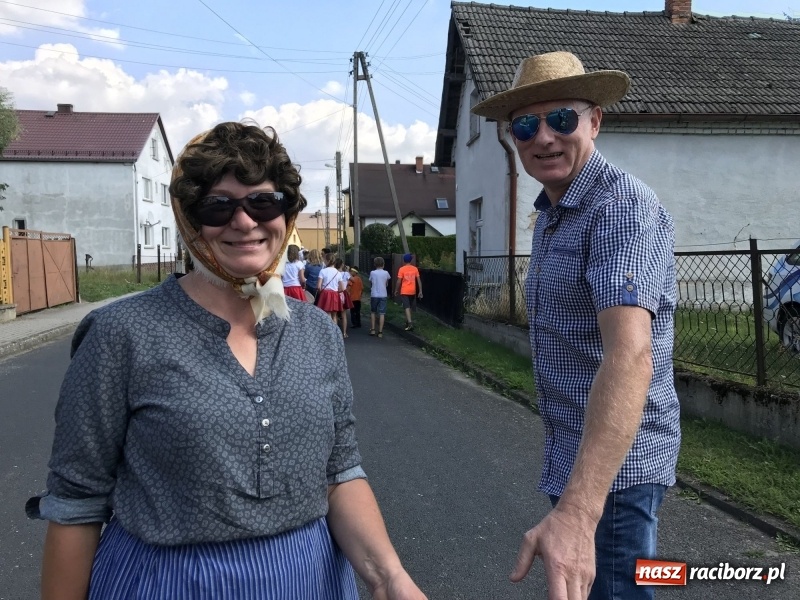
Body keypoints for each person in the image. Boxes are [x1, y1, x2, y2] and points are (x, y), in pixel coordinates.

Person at [26, 121, 426, 600]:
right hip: (167, 584)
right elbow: (77, 503)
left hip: (309, 580)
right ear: (191, 222)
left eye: (263, 201)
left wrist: (390, 579)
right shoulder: (122, 334)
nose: (244, 222)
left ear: (287, 213)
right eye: (218, 207)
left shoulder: (317, 332)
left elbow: (340, 474)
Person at [472, 51, 680, 600]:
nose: (543, 137)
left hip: (616, 467)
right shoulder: (555, 210)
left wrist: (580, 510)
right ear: (511, 136)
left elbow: (630, 355)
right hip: (576, 451)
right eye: (524, 125)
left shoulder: (619, 209)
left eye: (561, 119)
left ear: (594, 120)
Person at [394, 253, 423, 331]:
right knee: (409, 307)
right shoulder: (415, 269)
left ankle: (410, 323)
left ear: (404, 260)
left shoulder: (402, 269)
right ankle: (407, 321)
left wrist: (396, 289)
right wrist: (420, 291)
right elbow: (419, 280)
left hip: (404, 290)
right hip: (412, 291)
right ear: (411, 260)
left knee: (406, 307)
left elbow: (399, 281)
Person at [317, 253, 345, 324]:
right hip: (335, 294)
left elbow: (318, 286)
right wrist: (337, 291)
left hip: (325, 294)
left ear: (327, 260)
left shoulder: (323, 271)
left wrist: (320, 291)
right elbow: (343, 288)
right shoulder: (338, 273)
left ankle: (328, 332)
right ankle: (335, 331)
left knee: (327, 314)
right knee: (334, 315)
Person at [369, 256, 391, 339]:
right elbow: (386, 283)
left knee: (373, 312)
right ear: (383, 264)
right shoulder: (386, 273)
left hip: (374, 294)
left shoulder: (372, 273)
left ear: (375, 264)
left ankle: (373, 329)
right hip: (383, 294)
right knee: (382, 313)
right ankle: (380, 332)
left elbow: (371, 281)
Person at [338, 260, 354, 338]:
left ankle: (335, 332)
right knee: (344, 314)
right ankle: (344, 333)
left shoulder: (335, 273)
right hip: (344, 293)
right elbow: (353, 280)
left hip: (336, 293)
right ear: (342, 265)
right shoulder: (346, 274)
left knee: (334, 314)